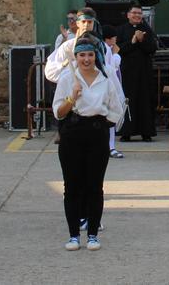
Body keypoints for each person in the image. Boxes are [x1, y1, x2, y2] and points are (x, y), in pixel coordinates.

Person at [53, 35, 126, 252]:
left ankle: (92, 234)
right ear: (75, 57)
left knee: (94, 186)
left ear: (97, 56)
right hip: (72, 133)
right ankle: (74, 235)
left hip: (97, 133)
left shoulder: (106, 78)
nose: (86, 59)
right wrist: (71, 98)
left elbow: (116, 108)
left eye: (90, 55)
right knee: (72, 186)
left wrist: (103, 123)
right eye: (82, 55)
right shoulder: (68, 78)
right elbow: (58, 113)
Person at [116, 5, 158, 142]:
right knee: (128, 101)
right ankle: (126, 132)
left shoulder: (147, 30)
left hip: (144, 73)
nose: (137, 15)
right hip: (127, 72)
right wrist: (133, 41)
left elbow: (152, 48)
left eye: (140, 13)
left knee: (144, 101)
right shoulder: (121, 30)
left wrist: (142, 40)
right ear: (128, 15)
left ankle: (146, 132)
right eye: (134, 13)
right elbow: (118, 49)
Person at [45, 8, 99, 83]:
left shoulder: (103, 48)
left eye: (89, 22)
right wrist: (69, 63)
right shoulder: (67, 46)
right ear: (78, 23)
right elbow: (51, 73)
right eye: (83, 21)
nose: (86, 25)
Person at [102, 28, 125, 159]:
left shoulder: (106, 48)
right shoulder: (107, 50)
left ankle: (109, 146)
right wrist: (116, 54)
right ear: (110, 38)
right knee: (110, 116)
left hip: (109, 87)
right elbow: (112, 67)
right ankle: (110, 147)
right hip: (108, 87)